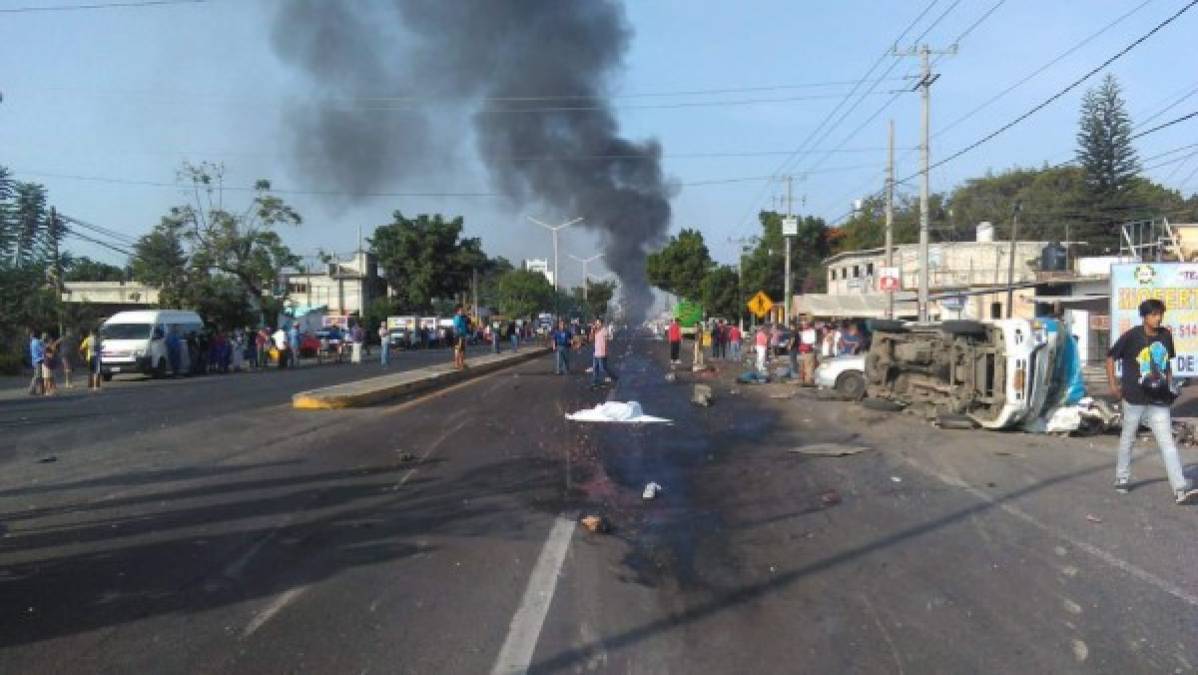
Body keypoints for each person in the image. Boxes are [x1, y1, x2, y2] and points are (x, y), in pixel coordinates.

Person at [1107, 299, 1198, 504]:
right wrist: (1113, 385)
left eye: (1160, 314)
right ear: (1145, 316)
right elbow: (1111, 357)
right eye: (1154, 314)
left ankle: (1180, 489)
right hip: (1134, 398)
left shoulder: (1166, 336)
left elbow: (1167, 365)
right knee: (1128, 438)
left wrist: (1169, 386)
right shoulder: (1131, 336)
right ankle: (1122, 477)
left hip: (1158, 400)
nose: (1158, 318)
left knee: (1167, 443)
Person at [590, 318, 613, 388]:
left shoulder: (604, 330)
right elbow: (591, 339)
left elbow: (607, 340)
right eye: (596, 323)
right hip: (596, 352)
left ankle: (612, 378)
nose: (597, 324)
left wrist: (606, 351)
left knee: (603, 368)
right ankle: (595, 382)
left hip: (602, 353)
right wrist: (592, 330)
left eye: (598, 323)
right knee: (595, 368)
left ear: (601, 323)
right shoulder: (595, 331)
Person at [798, 319, 818, 385]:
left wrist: (805, 345)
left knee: (808, 366)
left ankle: (808, 381)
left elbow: (811, 341)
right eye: (802, 324)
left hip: (808, 350)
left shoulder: (809, 331)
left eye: (804, 324)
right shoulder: (807, 331)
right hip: (805, 350)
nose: (803, 326)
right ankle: (806, 380)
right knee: (805, 366)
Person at [28, 330, 45, 396]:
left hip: (34, 360)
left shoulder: (32, 342)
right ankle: (31, 389)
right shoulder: (36, 342)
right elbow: (42, 350)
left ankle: (40, 390)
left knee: (39, 375)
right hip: (38, 360)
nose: (30, 336)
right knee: (38, 376)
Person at [452, 305, 468, 370]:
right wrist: (459, 335)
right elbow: (455, 327)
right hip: (459, 336)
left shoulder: (462, 318)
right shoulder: (457, 318)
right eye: (461, 310)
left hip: (463, 336)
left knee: (462, 350)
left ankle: (461, 363)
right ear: (458, 311)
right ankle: (456, 364)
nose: (462, 311)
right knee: (458, 350)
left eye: (463, 310)